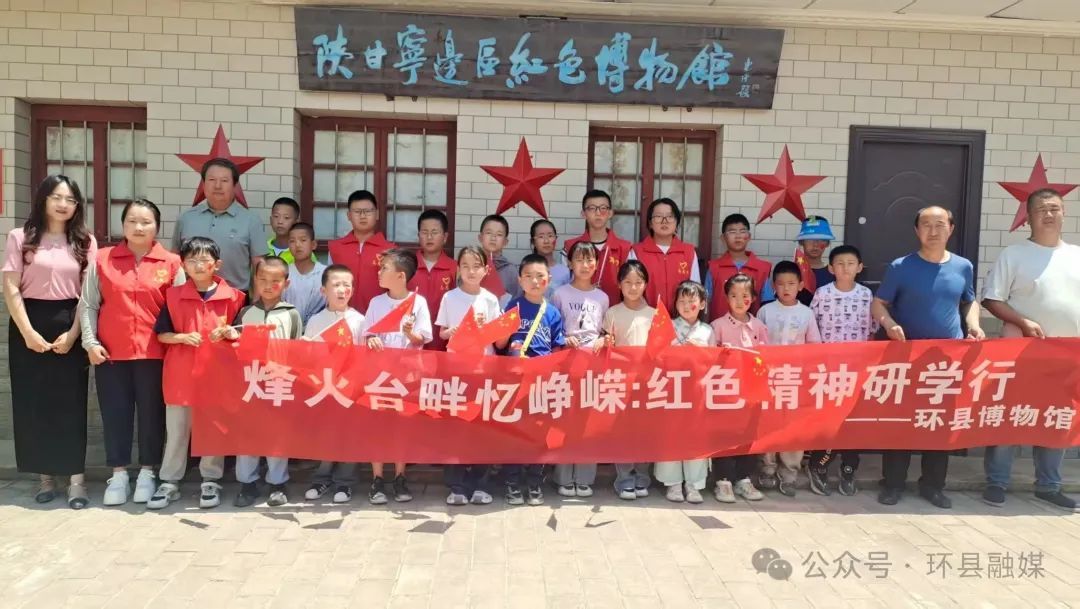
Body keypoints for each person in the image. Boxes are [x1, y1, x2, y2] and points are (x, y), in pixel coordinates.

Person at [871, 206, 985, 509]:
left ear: (951, 228)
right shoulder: (901, 266)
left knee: (939, 424)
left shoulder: (963, 266)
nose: (933, 231)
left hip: (947, 360)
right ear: (916, 230)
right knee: (900, 423)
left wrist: (973, 324)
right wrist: (888, 324)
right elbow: (879, 304)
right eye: (926, 225)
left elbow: (969, 301)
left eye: (939, 224)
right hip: (906, 358)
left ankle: (933, 486)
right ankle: (893, 484)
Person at [3, 175, 97, 509]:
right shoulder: (20, 237)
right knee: (35, 403)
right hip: (28, 323)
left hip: (71, 321)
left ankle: (76, 481)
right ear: (43, 198)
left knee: (71, 404)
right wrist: (28, 333)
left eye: (70, 200)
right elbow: (11, 287)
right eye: (57, 197)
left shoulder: (84, 241)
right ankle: (45, 477)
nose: (63, 205)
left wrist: (74, 335)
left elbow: (88, 294)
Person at [981, 189, 1079, 510]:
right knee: (1008, 415)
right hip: (1021, 352)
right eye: (1041, 209)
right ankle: (997, 482)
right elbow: (992, 299)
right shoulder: (1014, 254)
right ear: (1028, 217)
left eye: (1055, 208)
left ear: (1064, 213)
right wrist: (1022, 321)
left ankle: (1049, 485)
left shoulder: (1076, 255)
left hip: (1066, 355)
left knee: (1056, 418)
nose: (1049, 214)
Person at [80, 198, 181, 506]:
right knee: (115, 413)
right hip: (111, 353)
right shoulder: (103, 259)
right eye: (132, 221)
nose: (139, 227)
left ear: (157, 227)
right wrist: (90, 342)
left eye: (146, 222)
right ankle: (119, 473)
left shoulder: (172, 263)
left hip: (156, 354)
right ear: (122, 225)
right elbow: (89, 304)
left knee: (152, 414)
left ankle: (148, 472)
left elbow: (181, 309)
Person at [149, 237, 246, 510]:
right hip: (181, 374)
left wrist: (229, 333)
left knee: (213, 429)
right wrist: (181, 337)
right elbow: (161, 335)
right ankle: (169, 481)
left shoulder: (235, 298)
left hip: (218, 375)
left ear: (217, 264)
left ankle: (211, 480)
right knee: (177, 431)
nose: (198, 265)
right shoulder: (173, 296)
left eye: (204, 260)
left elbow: (242, 334)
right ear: (183, 265)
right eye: (192, 260)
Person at [223, 256, 302, 508]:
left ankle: (278, 483)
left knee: (277, 434)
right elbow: (234, 348)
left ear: (286, 283)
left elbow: (297, 350)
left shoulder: (291, 314)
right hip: (250, 383)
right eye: (263, 279)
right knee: (248, 433)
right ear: (255, 280)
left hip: (279, 382)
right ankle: (247, 483)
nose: (268, 285)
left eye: (275, 281)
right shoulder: (246, 313)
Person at [362, 248, 433, 504]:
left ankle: (400, 476)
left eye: (384, 268)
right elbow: (367, 334)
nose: (379, 272)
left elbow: (423, 338)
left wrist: (410, 332)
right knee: (377, 426)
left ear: (401, 276)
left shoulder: (418, 302)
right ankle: (377, 478)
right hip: (380, 374)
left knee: (402, 426)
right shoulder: (376, 303)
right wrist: (371, 340)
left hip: (407, 375)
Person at [436, 246, 503, 506]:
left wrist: (486, 330)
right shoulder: (450, 297)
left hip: (483, 370)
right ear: (458, 269)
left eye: (476, 266)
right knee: (456, 429)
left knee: (482, 430)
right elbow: (441, 333)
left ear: (486, 270)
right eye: (465, 266)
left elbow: (498, 338)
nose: (471, 271)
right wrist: (453, 331)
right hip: (456, 371)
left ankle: (480, 484)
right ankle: (457, 486)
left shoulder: (490, 299)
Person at [808, 245, 876, 497]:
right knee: (828, 420)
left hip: (857, 370)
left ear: (860, 267)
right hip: (828, 371)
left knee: (852, 421)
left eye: (850, 263)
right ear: (830, 268)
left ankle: (849, 468)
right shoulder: (822, 294)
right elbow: (812, 328)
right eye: (839, 263)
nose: (845, 268)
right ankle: (819, 465)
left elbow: (871, 329)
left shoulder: (866, 295)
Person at [499, 254, 567, 506]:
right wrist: (508, 339)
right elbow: (500, 344)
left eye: (540, 276)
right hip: (516, 381)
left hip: (542, 382)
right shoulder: (513, 307)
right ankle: (512, 483)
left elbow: (557, 348)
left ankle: (535, 482)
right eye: (529, 276)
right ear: (520, 280)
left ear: (548, 279)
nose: (535, 281)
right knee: (514, 432)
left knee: (540, 433)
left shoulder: (552, 312)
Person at [756, 261, 821, 497]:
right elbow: (757, 342)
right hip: (769, 377)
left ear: (801, 285)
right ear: (773, 286)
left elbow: (814, 345)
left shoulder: (806, 313)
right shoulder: (765, 311)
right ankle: (767, 469)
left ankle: (790, 474)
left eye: (791, 284)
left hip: (795, 378)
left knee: (793, 426)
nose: (786, 288)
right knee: (768, 424)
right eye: (781, 284)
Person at [303, 264, 366, 504]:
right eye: (336, 285)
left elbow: (363, 357)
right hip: (324, 387)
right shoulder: (315, 320)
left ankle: (345, 482)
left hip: (350, 388)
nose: (341, 290)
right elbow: (310, 359)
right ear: (323, 290)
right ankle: (321, 478)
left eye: (346, 285)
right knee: (325, 434)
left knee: (349, 435)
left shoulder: (359, 320)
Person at [550, 241, 609, 498]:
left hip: (592, 366)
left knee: (588, 422)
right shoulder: (560, 294)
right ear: (570, 263)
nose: (585, 265)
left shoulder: (602, 297)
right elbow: (553, 328)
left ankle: (585, 478)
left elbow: (606, 330)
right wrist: (564, 338)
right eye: (579, 259)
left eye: (590, 260)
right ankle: (563, 477)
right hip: (566, 364)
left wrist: (603, 339)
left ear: (596, 264)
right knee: (565, 421)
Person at [710, 274, 767, 504]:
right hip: (725, 392)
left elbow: (767, 357)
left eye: (745, 295)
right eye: (733, 295)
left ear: (753, 298)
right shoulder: (717, 326)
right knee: (723, 435)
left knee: (748, 435)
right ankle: (723, 480)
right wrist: (721, 354)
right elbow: (708, 359)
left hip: (751, 390)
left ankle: (743, 478)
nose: (739, 301)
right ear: (726, 298)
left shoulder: (759, 326)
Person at [655, 280, 714, 504]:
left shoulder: (707, 330)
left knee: (696, 436)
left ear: (702, 304)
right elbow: (657, 356)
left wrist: (698, 350)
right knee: (671, 434)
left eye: (692, 301)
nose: (687, 306)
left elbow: (715, 361)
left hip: (698, 390)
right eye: (682, 301)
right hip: (672, 388)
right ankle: (673, 482)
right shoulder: (667, 326)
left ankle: (694, 483)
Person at [601, 260, 656, 501]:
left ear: (646, 284)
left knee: (645, 432)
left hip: (647, 382)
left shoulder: (655, 314)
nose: (633, 287)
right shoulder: (612, 313)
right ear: (619, 284)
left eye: (638, 282)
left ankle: (642, 477)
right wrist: (607, 343)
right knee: (622, 432)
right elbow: (606, 346)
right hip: (620, 381)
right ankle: (624, 479)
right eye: (628, 282)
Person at [172, 158, 266, 295]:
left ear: (235, 185)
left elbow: (259, 265)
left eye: (224, 180)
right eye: (211, 180)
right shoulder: (186, 218)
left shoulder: (251, 220)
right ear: (203, 184)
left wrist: (257, 300)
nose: (217, 186)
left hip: (235, 297)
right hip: (189, 297)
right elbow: (174, 260)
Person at [327, 189, 395, 314]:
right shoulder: (335, 248)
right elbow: (329, 284)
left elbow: (394, 289)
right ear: (349, 215)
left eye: (368, 211)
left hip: (379, 316)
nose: (363, 216)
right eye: (357, 212)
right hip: (341, 316)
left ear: (377, 214)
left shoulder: (390, 250)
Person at [628, 197, 700, 312]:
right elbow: (631, 289)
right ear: (650, 223)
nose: (664, 221)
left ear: (677, 222)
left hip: (681, 319)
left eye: (670, 216)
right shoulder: (637, 252)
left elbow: (695, 290)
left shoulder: (688, 252)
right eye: (658, 216)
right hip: (646, 317)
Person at [562, 189, 632, 305]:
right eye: (592, 208)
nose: (598, 213)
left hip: (614, 311)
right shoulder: (570, 247)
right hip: (577, 310)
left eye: (603, 208)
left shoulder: (625, 248)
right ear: (583, 214)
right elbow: (564, 283)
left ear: (610, 213)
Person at [705, 213, 772, 319]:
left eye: (742, 231)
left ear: (749, 237)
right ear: (723, 238)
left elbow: (767, 305)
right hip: (719, 327)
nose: (738, 236)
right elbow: (706, 301)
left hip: (751, 328)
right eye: (732, 232)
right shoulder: (714, 268)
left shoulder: (762, 269)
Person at [408, 209, 457, 352]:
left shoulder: (455, 268)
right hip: (411, 341)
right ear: (418, 235)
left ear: (445, 237)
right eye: (424, 232)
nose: (429, 237)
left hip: (443, 343)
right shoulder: (407, 266)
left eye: (434, 232)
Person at [282, 221, 326, 325]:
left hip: (317, 328)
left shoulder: (325, 273)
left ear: (313, 244)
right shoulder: (284, 273)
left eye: (303, 240)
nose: (297, 245)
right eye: (292, 241)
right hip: (288, 327)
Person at [477, 214, 518, 305]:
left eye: (499, 234)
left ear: (505, 242)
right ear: (480, 237)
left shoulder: (511, 271)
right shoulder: (471, 266)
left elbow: (517, 300)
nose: (493, 238)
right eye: (489, 233)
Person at [794, 215, 835, 306]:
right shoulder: (791, 270)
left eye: (821, 240)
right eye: (810, 239)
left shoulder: (834, 273)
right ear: (801, 242)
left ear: (827, 243)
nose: (815, 244)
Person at [529, 218, 571, 298]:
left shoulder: (565, 271)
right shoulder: (527, 269)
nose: (546, 241)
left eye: (550, 236)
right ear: (533, 241)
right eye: (541, 237)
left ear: (556, 239)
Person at [267, 196, 300, 263]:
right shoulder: (261, 248)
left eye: (286, 217)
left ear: (296, 222)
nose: (280, 221)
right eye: (276, 216)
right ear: (270, 220)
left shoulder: (302, 251)